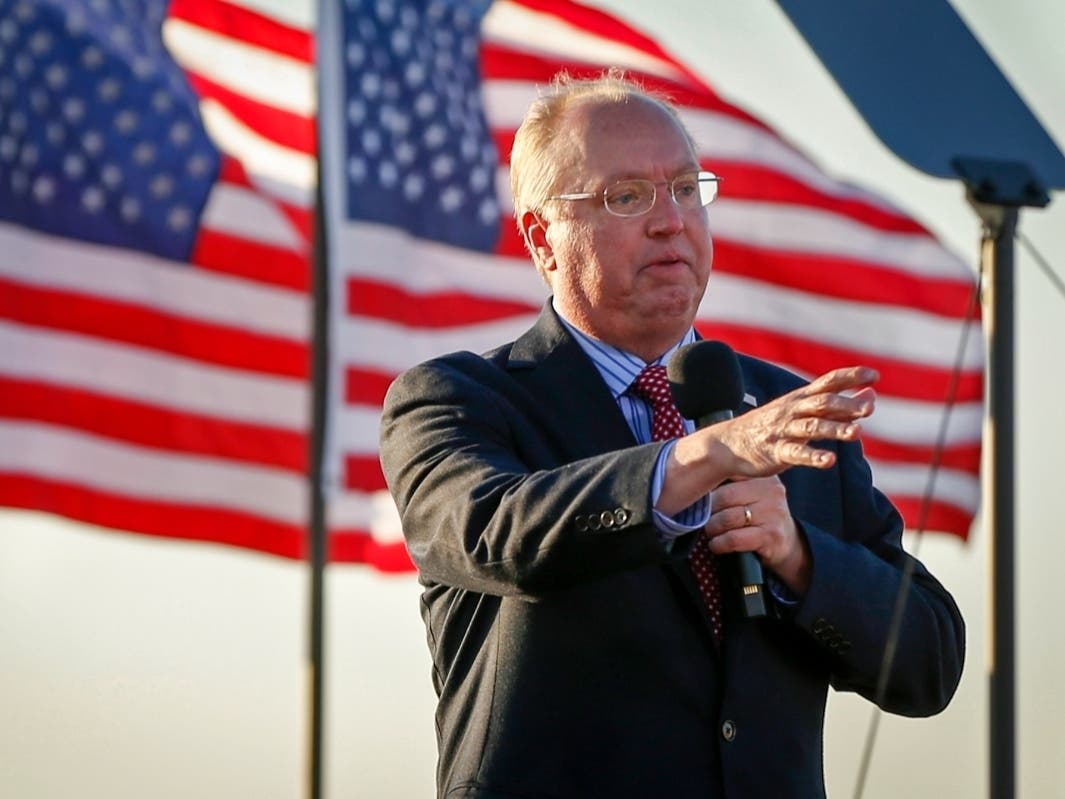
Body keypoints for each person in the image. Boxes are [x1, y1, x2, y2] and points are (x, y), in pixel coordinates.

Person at [379, 71, 965, 799]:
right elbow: (491, 531)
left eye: (686, 189)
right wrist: (705, 455)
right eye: (626, 196)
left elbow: (929, 663)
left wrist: (797, 557)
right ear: (542, 238)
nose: (670, 220)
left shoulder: (783, 411)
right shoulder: (460, 398)